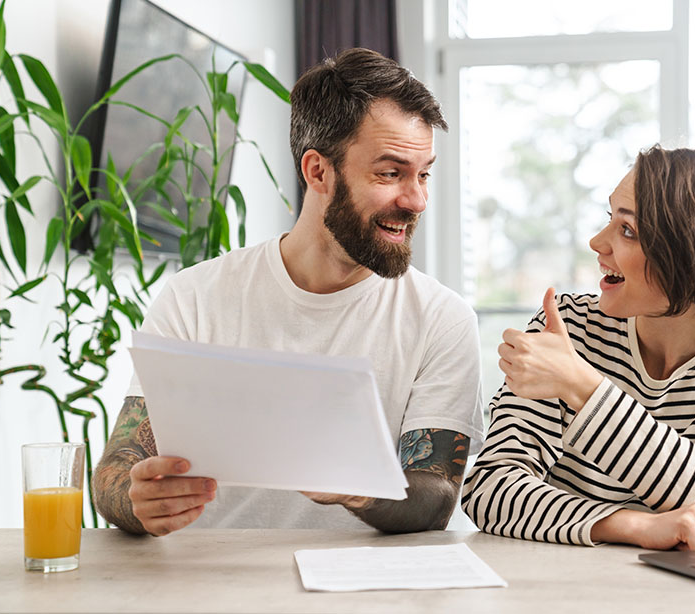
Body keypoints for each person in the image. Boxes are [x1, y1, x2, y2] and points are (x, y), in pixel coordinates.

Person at [92, 48, 484, 536]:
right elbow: (117, 465)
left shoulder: (442, 319)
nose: (417, 199)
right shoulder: (194, 297)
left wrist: (355, 484)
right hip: (208, 585)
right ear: (318, 171)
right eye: (390, 173)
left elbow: (436, 498)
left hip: (365, 591)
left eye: (424, 173)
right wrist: (136, 499)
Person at [462, 145, 695, 550]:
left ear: (693, 256)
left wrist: (584, 389)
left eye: (628, 231)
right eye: (610, 219)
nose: (596, 242)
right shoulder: (569, 329)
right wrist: (634, 526)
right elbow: (489, 489)